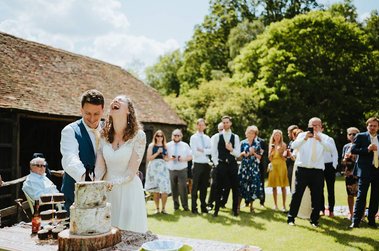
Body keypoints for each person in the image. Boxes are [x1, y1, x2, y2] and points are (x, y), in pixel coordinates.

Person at [95, 95, 147, 233]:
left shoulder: (139, 136)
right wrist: (94, 183)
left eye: (120, 100)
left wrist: (113, 183)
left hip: (129, 190)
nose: (114, 101)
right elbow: (100, 167)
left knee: (128, 235)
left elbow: (131, 172)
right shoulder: (103, 135)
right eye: (113, 100)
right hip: (107, 192)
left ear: (129, 110)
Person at [60, 89, 104, 214]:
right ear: (81, 110)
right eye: (87, 113)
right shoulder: (70, 131)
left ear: (103, 110)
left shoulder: (109, 130)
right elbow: (70, 159)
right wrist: (88, 180)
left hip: (105, 198)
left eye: (96, 114)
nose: (92, 118)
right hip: (76, 197)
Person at [287, 117, 333, 227]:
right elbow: (293, 146)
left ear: (321, 126)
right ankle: (291, 218)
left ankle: (314, 220)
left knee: (316, 196)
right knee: (297, 195)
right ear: (308, 125)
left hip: (317, 171)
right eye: (312, 125)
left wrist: (320, 140)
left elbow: (329, 150)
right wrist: (304, 139)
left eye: (317, 125)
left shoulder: (325, 138)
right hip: (302, 170)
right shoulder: (302, 135)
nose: (315, 127)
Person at [350, 117, 379, 229]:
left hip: (377, 169)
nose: (372, 127)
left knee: (375, 196)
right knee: (361, 196)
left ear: (378, 127)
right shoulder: (361, 136)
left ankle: (371, 221)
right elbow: (353, 150)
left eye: (375, 126)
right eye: (370, 125)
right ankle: (355, 221)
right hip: (365, 170)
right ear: (367, 126)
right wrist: (367, 149)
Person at [211, 116, 240, 217]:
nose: (225, 124)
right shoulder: (216, 137)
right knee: (218, 188)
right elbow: (213, 152)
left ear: (230, 123)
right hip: (221, 164)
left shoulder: (235, 137)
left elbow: (238, 154)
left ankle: (235, 210)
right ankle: (216, 210)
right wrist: (217, 164)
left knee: (235, 188)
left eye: (227, 122)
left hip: (232, 165)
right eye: (223, 122)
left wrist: (231, 149)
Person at [238, 126, 264, 213]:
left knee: (252, 186)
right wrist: (243, 153)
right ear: (246, 133)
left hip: (253, 167)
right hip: (244, 167)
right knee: (241, 185)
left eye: (252, 133)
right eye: (249, 132)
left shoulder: (257, 144)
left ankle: (251, 207)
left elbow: (260, 157)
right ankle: (238, 206)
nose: (250, 134)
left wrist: (254, 153)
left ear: (255, 135)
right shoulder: (242, 143)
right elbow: (238, 156)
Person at [145, 130, 171, 214]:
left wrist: (164, 155)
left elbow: (167, 159)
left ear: (163, 137)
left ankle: (163, 208)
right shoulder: (151, 145)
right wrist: (157, 153)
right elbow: (149, 158)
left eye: (161, 136)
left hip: (163, 168)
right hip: (153, 168)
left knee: (164, 188)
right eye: (158, 136)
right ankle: (157, 208)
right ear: (155, 137)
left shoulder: (165, 146)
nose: (159, 137)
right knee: (156, 189)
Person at [166, 129, 192, 211]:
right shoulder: (167, 145)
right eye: (174, 135)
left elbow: (191, 156)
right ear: (172, 136)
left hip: (182, 169)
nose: (176, 137)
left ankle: (185, 206)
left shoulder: (185, 145)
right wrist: (170, 158)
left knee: (183, 188)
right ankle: (176, 206)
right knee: (173, 188)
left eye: (178, 135)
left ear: (181, 136)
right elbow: (164, 157)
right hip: (171, 169)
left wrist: (184, 159)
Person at [190, 119, 212, 214]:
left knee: (204, 187)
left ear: (205, 126)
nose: (201, 127)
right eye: (199, 125)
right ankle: (194, 208)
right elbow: (195, 152)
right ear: (197, 126)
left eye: (203, 125)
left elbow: (211, 151)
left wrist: (202, 150)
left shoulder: (207, 138)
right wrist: (205, 150)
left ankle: (203, 207)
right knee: (195, 187)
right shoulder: (193, 138)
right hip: (197, 164)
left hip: (206, 164)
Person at [290, 128, 312, 219]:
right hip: (298, 166)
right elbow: (294, 155)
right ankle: (297, 210)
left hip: (309, 167)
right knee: (297, 189)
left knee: (308, 191)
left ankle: (308, 211)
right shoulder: (298, 144)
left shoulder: (310, 143)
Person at [267, 129, 289, 211]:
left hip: (281, 165)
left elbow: (285, 158)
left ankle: (283, 206)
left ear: (280, 137)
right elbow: (269, 158)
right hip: (273, 165)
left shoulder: (283, 145)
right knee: (274, 186)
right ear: (273, 136)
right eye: (275, 135)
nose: (277, 137)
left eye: (278, 135)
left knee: (283, 186)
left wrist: (280, 152)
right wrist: (271, 151)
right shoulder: (271, 145)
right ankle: (275, 205)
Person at [341, 127, 360, 220]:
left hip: (360, 172)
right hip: (349, 173)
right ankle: (351, 213)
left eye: (354, 134)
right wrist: (345, 159)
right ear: (347, 136)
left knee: (361, 195)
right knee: (350, 194)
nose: (352, 136)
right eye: (350, 134)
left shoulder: (362, 145)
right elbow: (343, 162)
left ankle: (360, 215)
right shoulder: (346, 146)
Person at [320, 129, 339, 217]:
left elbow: (334, 152)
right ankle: (321, 209)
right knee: (320, 189)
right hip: (318, 166)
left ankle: (331, 210)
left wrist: (334, 165)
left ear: (322, 128)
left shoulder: (329, 139)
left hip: (329, 166)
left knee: (330, 189)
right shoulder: (311, 139)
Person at [207, 122, 224, 210]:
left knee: (225, 185)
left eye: (223, 129)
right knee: (214, 184)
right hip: (216, 164)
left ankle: (222, 203)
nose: (222, 131)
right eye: (220, 129)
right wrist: (216, 163)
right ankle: (210, 203)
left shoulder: (230, 137)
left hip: (226, 165)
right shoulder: (214, 137)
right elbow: (212, 152)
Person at [256, 128, 268, 207]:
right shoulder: (246, 141)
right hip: (250, 165)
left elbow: (265, 153)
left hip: (260, 165)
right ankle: (247, 202)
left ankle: (262, 202)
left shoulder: (262, 141)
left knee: (261, 183)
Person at [286, 125, 299, 190]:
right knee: (291, 186)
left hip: (296, 166)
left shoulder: (299, 142)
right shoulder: (291, 142)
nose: (288, 135)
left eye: (289, 133)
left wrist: (290, 155)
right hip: (290, 166)